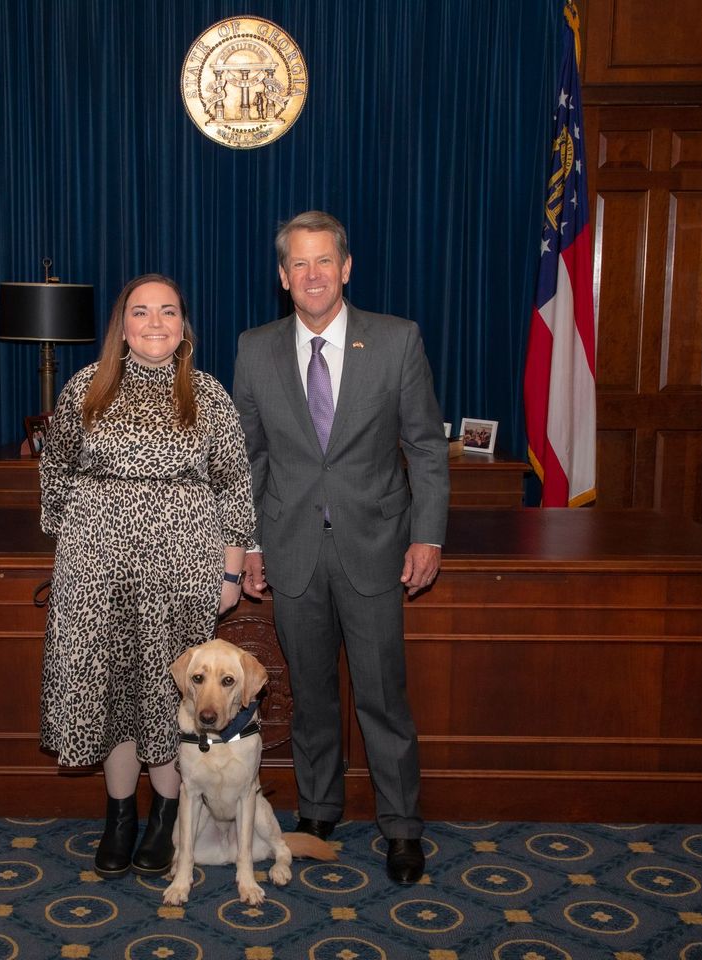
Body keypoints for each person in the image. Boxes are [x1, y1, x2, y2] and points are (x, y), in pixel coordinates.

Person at [232, 211, 450, 884]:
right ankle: (318, 811)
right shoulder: (255, 348)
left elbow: (424, 448)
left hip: (376, 545)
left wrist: (428, 534)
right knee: (312, 695)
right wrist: (248, 545)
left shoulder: (396, 340)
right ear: (283, 277)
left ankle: (402, 826)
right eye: (300, 264)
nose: (313, 274)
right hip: (292, 547)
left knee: (383, 696)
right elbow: (248, 459)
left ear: (346, 267)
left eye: (324, 261)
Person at [39, 273, 255, 878]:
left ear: (184, 324)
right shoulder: (85, 387)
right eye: (141, 312)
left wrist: (231, 573)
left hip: (181, 574)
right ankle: (119, 816)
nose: (155, 323)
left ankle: (164, 814)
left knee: (166, 697)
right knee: (109, 694)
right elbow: (54, 470)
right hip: (95, 572)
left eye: (168, 311)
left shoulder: (208, 395)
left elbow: (235, 487)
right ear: (122, 325)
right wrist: (75, 544)